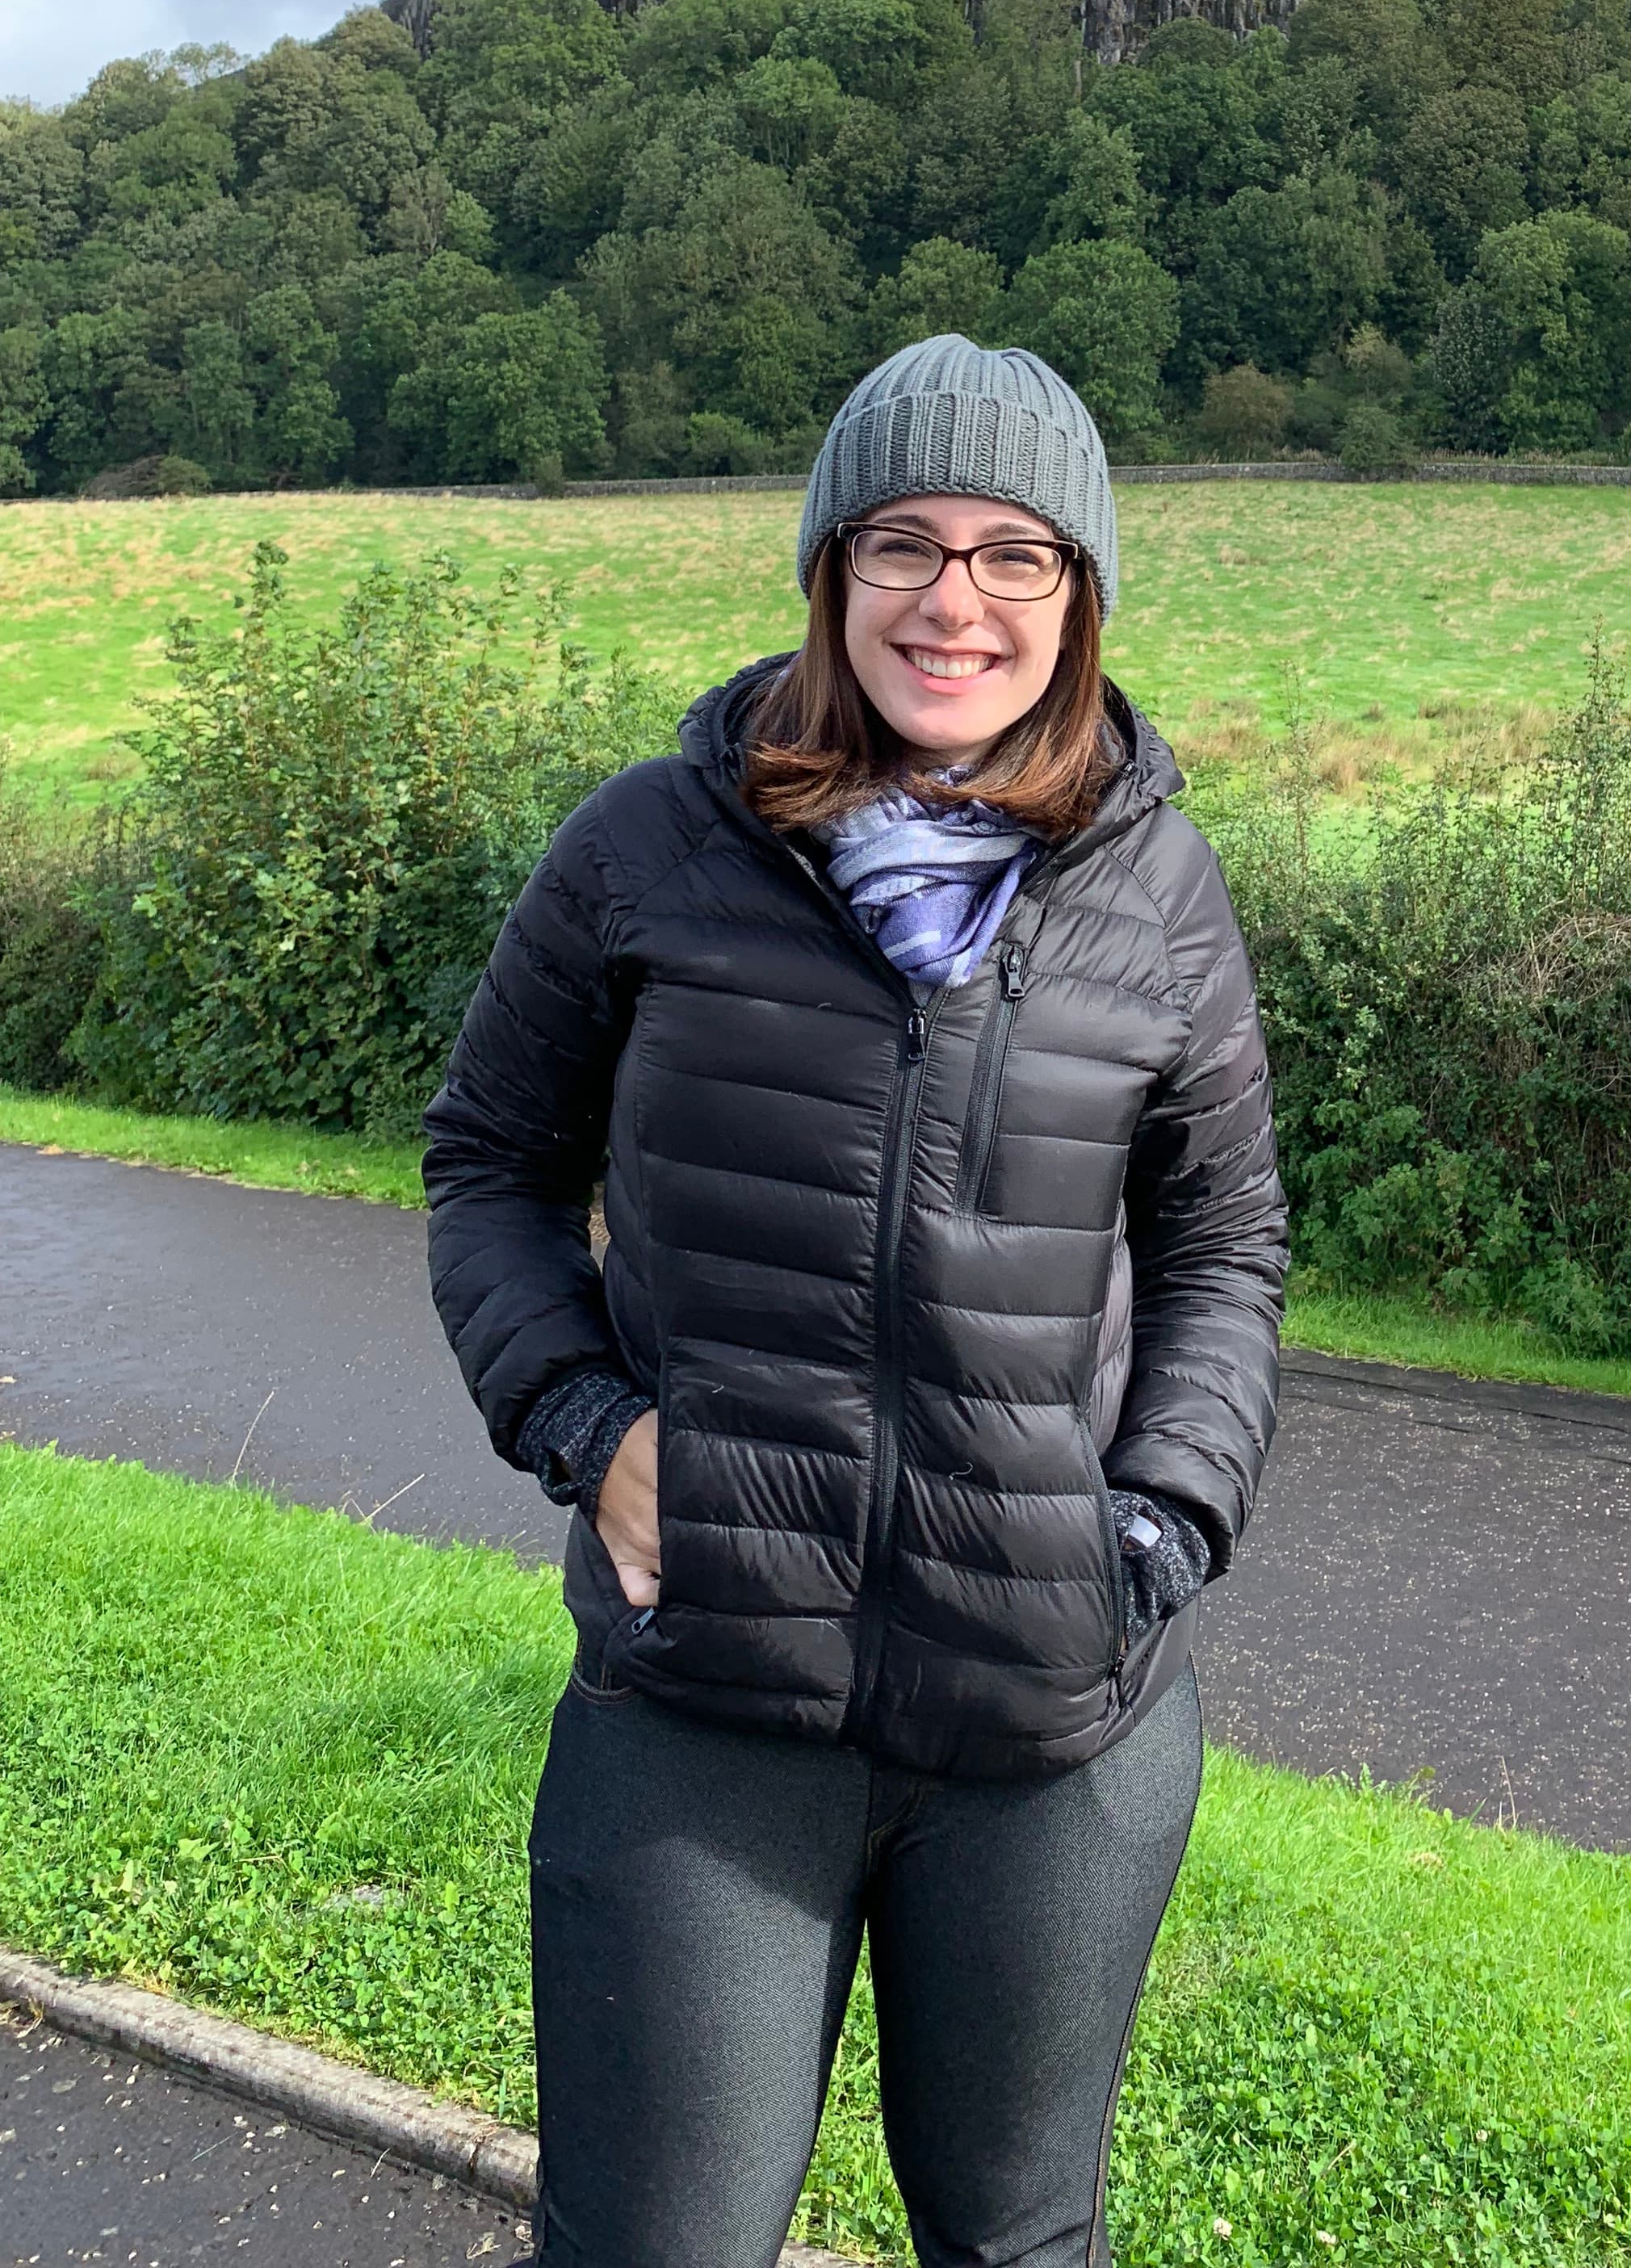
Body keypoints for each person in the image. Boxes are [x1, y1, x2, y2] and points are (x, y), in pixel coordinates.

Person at [425, 336, 1288, 2268]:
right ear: (827, 572)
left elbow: (1229, 1244)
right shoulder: (648, 851)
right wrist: (582, 1426)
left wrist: (1153, 1530)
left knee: (1012, 2243)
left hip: (1055, 1723)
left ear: (1078, 597)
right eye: (901, 542)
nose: (953, 601)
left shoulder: (1160, 893)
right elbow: (487, 1162)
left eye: (1014, 555)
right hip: (711, 1699)